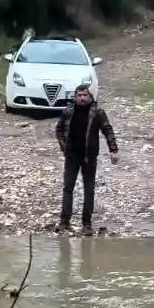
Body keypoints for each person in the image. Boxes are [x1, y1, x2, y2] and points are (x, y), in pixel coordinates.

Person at [55, 82, 118, 234]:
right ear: (74, 97)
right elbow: (59, 129)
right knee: (68, 188)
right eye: (80, 95)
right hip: (72, 156)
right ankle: (64, 222)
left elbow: (107, 130)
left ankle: (87, 224)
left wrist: (113, 150)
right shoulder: (68, 111)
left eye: (85, 95)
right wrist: (64, 147)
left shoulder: (97, 112)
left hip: (89, 157)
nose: (83, 98)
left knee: (88, 190)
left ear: (90, 96)